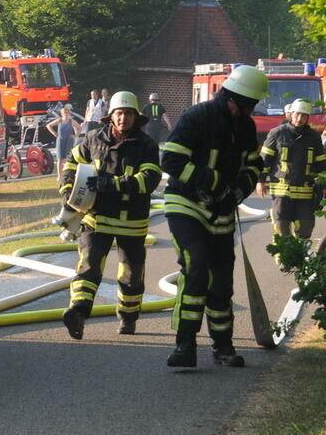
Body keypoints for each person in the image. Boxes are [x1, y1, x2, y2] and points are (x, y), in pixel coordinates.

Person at [161, 64, 268, 368]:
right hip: (186, 203)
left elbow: (252, 167)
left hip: (221, 210)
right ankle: (184, 344)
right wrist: (212, 182)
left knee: (221, 279)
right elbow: (171, 159)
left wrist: (235, 194)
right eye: (249, 105)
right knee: (196, 266)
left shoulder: (245, 127)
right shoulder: (198, 117)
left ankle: (223, 346)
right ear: (234, 98)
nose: (250, 111)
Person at [60, 91, 162, 339]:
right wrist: (67, 191)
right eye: (119, 113)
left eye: (128, 114)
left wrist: (112, 183)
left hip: (131, 222)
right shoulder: (94, 138)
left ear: (136, 117)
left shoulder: (146, 145)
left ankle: (128, 318)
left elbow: (149, 180)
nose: (123, 118)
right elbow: (72, 163)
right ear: (111, 116)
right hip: (96, 218)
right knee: (88, 268)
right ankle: (78, 313)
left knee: (130, 275)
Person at [258, 98, 326, 242]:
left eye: (304, 116)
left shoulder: (314, 137)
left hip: (305, 191)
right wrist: (260, 181)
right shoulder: (277, 133)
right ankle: (284, 257)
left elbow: (321, 163)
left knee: (306, 226)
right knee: (281, 225)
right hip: (282, 190)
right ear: (291, 114)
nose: (300, 119)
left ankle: (301, 257)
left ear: (308, 117)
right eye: (297, 114)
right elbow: (264, 160)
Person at [46, 104, 82, 182]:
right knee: (60, 159)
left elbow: (80, 128)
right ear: (62, 113)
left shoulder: (71, 121)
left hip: (69, 141)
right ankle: (60, 176)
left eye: (67, 112)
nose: (66, 114)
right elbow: (49, 125)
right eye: (64, 113)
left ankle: (69, 175)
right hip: (60, 140)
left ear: (69, 113)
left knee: (68, 158)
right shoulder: (59, 120)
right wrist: (54, 134)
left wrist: (75, 135)